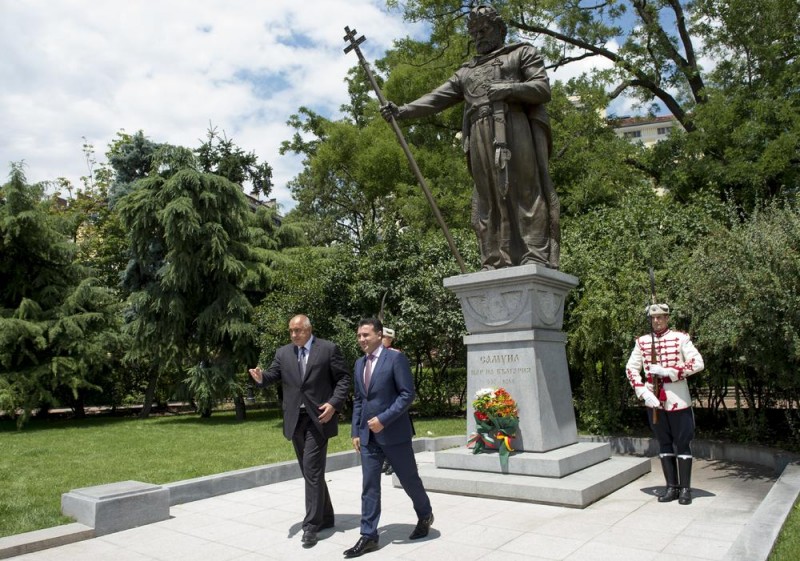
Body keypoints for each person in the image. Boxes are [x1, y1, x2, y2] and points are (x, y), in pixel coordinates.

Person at [380, 4, 559, 270]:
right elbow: (436, 98)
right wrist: (402, 110)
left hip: (514, 124)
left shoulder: (521, 53)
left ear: (500, 29)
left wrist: (508, 89)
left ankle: (535, 254)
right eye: (474, 33)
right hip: (479, 130)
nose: (478, 37)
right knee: (487, 197)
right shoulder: (467, 71)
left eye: (484, 30)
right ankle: (494, 259)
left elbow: (542, 88)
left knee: (525, 189)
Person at [249, 314, 350, 547]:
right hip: (295, 419)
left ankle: (311, 526)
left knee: (312, 469)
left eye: (298, 330)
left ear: (308, 329)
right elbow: (273, 375)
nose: (294, 334)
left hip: (319, 418)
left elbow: (343, 380)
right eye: (291, 331)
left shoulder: (328, 349)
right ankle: (326, 516)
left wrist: (334, 404)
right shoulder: (283, 353)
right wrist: (260, 377)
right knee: (310, 471)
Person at [343, 318, 434, 558]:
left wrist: (384, 419)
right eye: (359, 335)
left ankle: (425, 514)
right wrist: (356, 430)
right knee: (369, 486)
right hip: (368, 438)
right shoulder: (358, 363)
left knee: (409, 480)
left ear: (379, 335)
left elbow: (407, 394)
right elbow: (359, 400)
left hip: (394, 434)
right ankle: (369, 535)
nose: (362, 339)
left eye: (366, 335)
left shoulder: (395, 359)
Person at [625, 303, 704, 505]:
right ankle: (671, 488)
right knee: (664, 443)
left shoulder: (680, 338)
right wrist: (642, 391)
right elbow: (631, 369)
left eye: (660, 317)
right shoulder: (642, 342)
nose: (656, 321)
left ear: (667, 318)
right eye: (653, 318)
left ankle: (685, 489)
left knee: (682, 443)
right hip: (654, 400)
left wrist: (668, 371)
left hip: (678, 399)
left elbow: (697, 363)